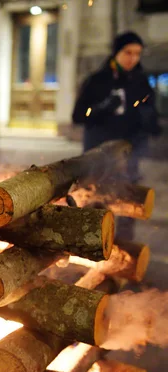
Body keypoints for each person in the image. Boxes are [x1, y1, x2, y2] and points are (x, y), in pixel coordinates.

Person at [72, 31, 161, 240]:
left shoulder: (140, 82)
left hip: (128, 151)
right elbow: (79, 116)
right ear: (116, 53)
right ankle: (93, 241)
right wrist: (101, 108)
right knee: (97, 197)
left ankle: (121, 246)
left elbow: (150, 114)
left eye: (138, 54)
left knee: (125, 197)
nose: (133, 58)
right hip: (98, 152)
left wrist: (149, 120)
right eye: (128, 52)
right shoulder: (97, 81)